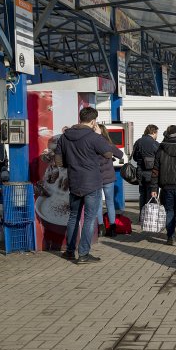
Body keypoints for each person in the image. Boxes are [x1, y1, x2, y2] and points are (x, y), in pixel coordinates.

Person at [55, 107, 115, 264]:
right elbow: (108, 153)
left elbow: (59, 162)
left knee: (74, 216)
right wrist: (99, 135)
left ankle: (69, 251)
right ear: (93, 121)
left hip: (74, 182)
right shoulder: (94, 137)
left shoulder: (64, 136)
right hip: (92, 183)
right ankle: (83, 254)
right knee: (89, 218)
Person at [95, 124, 124, 237]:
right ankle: (112, 228)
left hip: (96, 178)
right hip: (109, 178)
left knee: (98, 203)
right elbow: (121, 155)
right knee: (110, 202)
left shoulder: (91, 144)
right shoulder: (108, 144)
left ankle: (101, 228)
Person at [132, 124, 160, 212]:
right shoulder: (155, 144)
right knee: (152, 195)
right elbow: (160, 158)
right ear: (153, 132)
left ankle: (142, 217)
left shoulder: (138, 142)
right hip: (152, 174)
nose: (157, 135)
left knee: (142, 195)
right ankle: (150, 217)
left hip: (140, 173)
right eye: (156, 133)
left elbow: (135, 157)